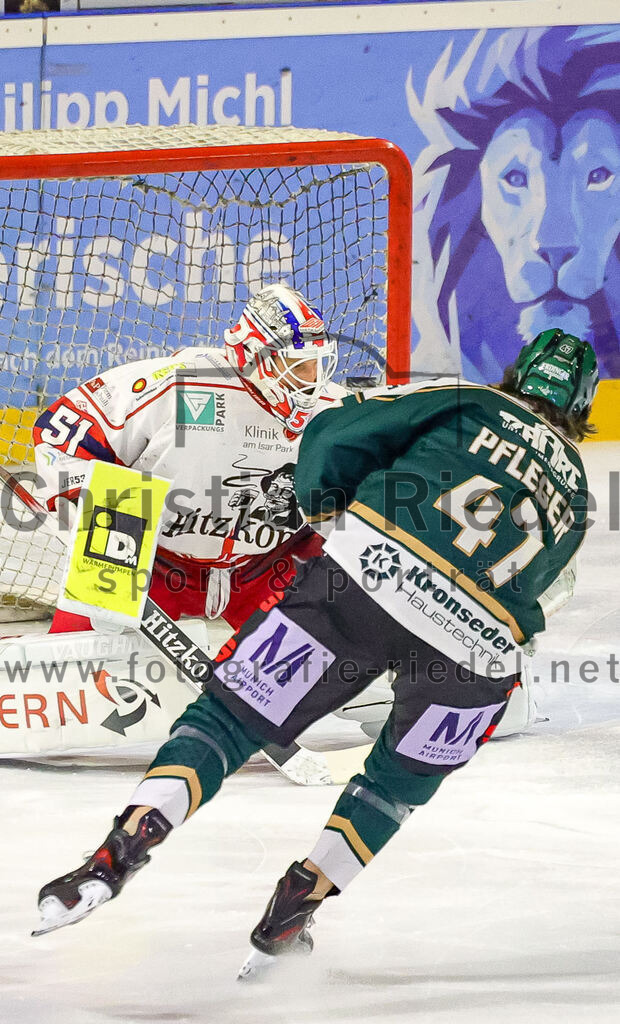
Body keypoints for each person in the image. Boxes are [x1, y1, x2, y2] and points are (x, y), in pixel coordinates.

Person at [34, 329, 597, 974]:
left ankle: (125, 845)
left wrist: (328, 513)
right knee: (393, 789)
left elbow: (333, 434)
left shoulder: (468, 401)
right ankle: (298, 904)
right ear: (583, 407)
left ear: (515, 372)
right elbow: (546, 584)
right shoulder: (580, 492)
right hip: (479, 656)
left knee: (229, 719)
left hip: (363, 586)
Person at [33, 282, 340, 634]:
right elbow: (58, 434)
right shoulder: (178, 383)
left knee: (325, 657)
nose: (312, 379)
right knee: (79, 657)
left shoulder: (332, 408)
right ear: (253, 355)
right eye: (297, 365)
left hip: (268, 569)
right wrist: (95, 520)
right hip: (154, 564)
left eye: (316, 364)